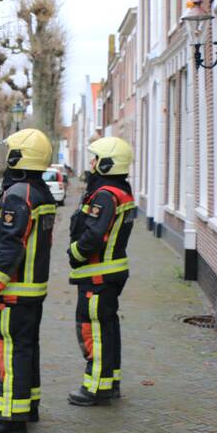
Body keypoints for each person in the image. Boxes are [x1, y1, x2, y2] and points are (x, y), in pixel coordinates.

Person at [0, 128, 56, 433]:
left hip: (13, 292)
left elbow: (9, 245)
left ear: (19, 156)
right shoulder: (39, 193)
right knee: (26, 350)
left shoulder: (18, 195)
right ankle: (27, 406)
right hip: (32, 290)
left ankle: (10, 417)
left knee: (8, 352)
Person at [66, 136, 136, 406]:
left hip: (97, 276)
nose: (92, 163)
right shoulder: (122, 192)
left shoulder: (105, 195)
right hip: (110, 274)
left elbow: (93, 235)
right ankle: (110, 381)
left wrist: (74, 253)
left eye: (96, 159)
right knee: (108, 330)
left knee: (92, 331)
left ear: (107, 163)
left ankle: (96, 389)